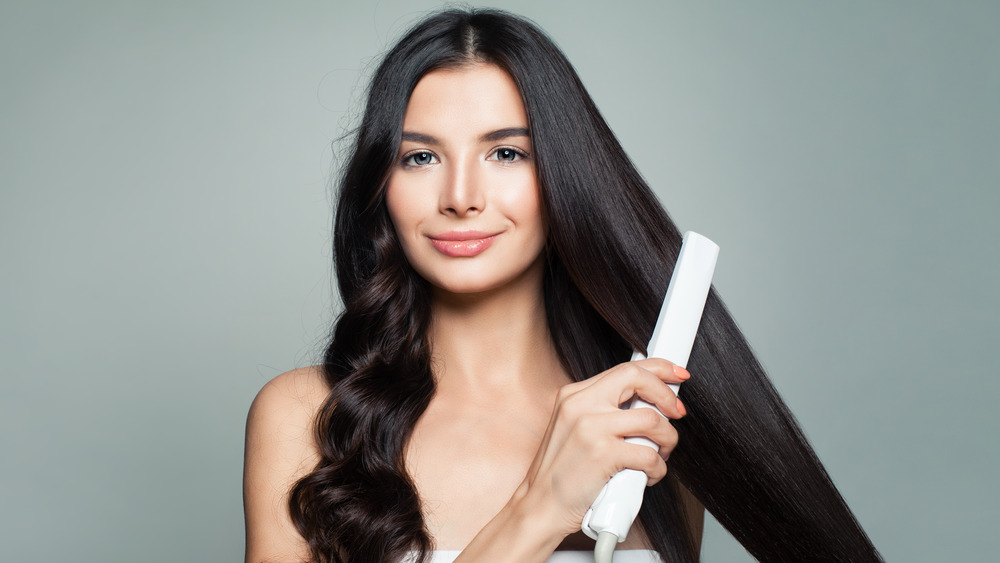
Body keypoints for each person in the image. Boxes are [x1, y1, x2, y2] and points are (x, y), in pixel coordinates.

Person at [243, 8, 881, 563]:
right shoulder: (305, 419)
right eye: (421, 157)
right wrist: (538, 509)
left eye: (506, 153)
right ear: (381, 183)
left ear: (563, 176)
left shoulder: (643, 424)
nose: (461, 198)